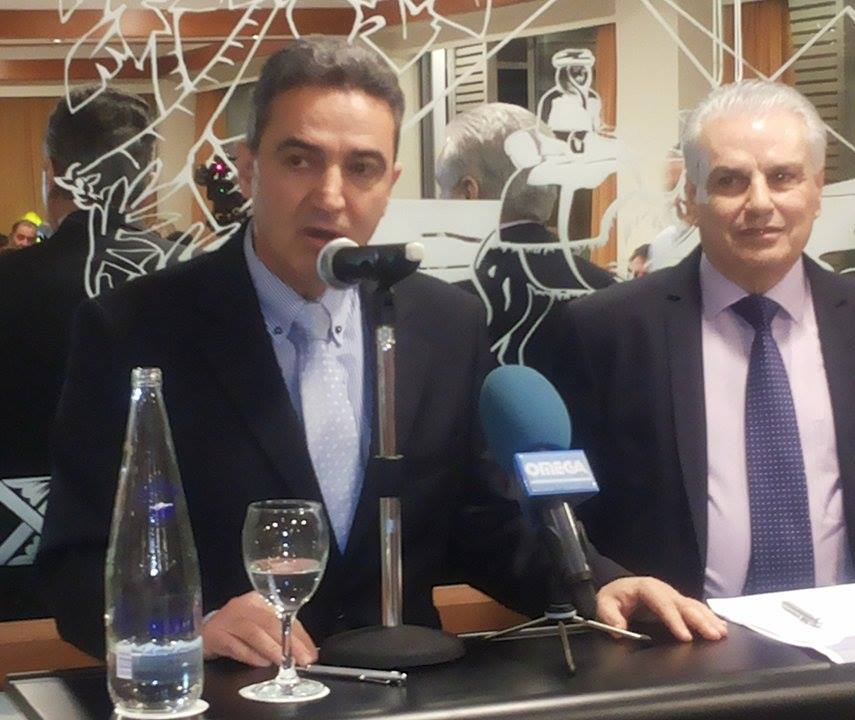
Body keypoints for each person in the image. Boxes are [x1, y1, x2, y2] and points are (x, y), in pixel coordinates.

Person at [38, 39, 725, 667]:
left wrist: (598, 583)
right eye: (299, 160)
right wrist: (191, 626)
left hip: (410, 691)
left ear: (390, 181)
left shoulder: (445, 323)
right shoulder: (134, 330)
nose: (330, 195)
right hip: (232, 694)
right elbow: (76, 564)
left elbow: (483, 525)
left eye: (361, 168)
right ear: (248, 169)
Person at [555, 80, 855, 603]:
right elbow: (567, 514)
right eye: (730, 181)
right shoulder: (605, 333)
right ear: (691, 199)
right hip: (673, 641)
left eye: (783, 177)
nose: (760, 203)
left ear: (817, 189)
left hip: (850, 640)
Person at [0, 87, 177, 621]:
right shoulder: (187, 281)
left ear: (51, 172)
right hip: (162, 559)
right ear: (145, 179)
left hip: (15, 557)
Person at [436, 102, 615, 375]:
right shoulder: (606, 289)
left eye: (443, 189)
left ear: (469, 192)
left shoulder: (445, 299)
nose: (440, 202)